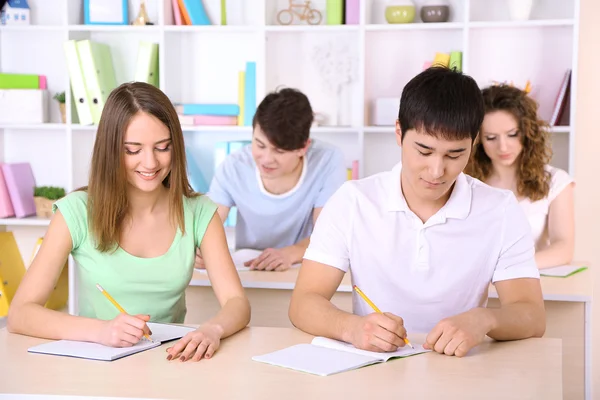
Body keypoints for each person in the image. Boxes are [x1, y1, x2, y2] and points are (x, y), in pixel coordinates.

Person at [289, 67, 546, 358]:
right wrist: (353, 328)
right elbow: (303, 303)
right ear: (399, 132)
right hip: (376, 367)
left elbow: (532, 316)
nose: (437, 171)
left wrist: (486, 319)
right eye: (424, 151)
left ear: (474, 144)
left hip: (462, 369)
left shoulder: (499, 209)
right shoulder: (353, 201)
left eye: (455, 154)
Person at [7, 82, 250, 362]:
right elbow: (21, 313)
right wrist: (101, 331)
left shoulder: (199, 212)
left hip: (170, 362)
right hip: (97, 364)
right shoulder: (76, 211)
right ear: (111, 150)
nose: (150, 163)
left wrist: (211, 329)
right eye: (133, 150)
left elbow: (237, 303)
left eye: (162, 147)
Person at [195, 87, 346, 272]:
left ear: (304, 147)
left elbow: (328, 232)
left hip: (303, 264)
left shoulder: (327, 160)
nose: (266, 159)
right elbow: (210, 223)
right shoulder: (234, 166)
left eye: (279, 151)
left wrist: (291, 253)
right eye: (260, 145)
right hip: (249, 267)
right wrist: (200, 249)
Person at [465, 84, 575, 269]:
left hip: (530, 284)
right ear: (478, 140)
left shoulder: (556, 181)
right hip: (476, 287)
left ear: (527, 133)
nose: (503, 147)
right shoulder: (467, 182)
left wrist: (508, 268)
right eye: (491, 137)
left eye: (512, 135)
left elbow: (564, 248)